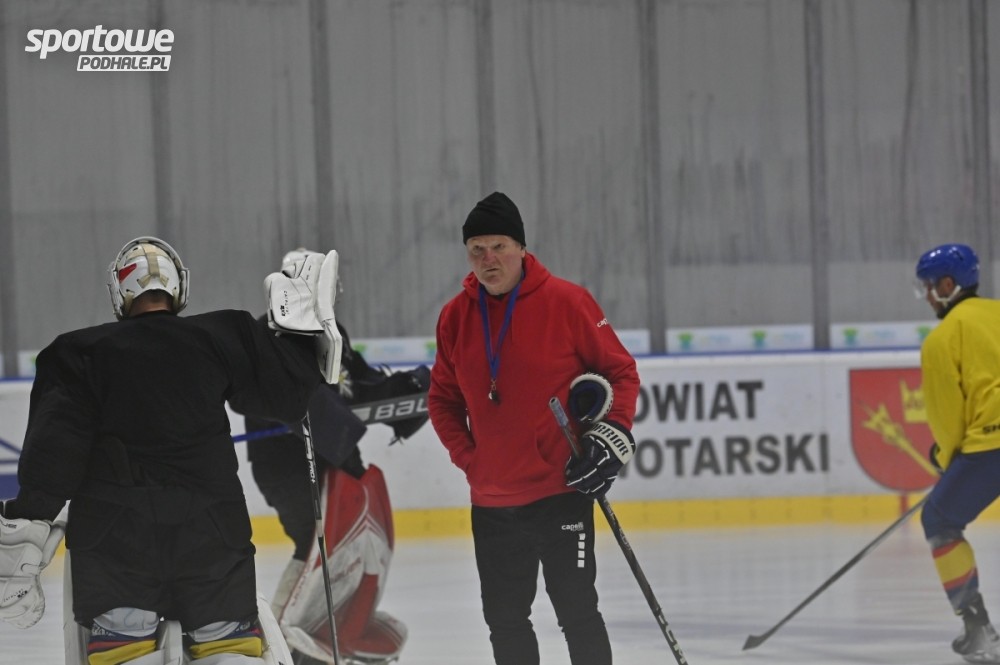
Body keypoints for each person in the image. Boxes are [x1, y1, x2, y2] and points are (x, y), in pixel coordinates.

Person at [0, 236, 340, 665]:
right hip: (212, 533)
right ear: (178, 286)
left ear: (120, 291)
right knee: (228, 650)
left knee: (125, 650)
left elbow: (56, 453)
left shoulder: (77, 353)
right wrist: (301, 331)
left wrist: (29, 523)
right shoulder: (224, 333)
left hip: (115, 541)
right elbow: (287, 398)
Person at [427, 191, 641, 665]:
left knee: (578, 614)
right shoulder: (455, 317)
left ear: (522, 248)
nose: (488, 259)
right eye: (477, 249)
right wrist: (472, 461)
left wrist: (613, 436)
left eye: (499, 247)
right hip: (492, 503)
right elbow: (441, 399)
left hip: (560, 490)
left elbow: (621, 372)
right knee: (505, 622)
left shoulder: (568, 302)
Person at [240, 248, 430, 665]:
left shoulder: (331, 330)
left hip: (332, 459)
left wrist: (408, 389)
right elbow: (273, 398)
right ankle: (281, 640)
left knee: (346, 545)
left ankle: (325, 629)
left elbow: (357, 387)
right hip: (285, 465)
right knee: (312, 543)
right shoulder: (267, 335)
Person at [915, 242, 1000, 663]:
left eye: (929, 287)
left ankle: (978, 630)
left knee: (939, 519)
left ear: (948, 285)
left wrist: (946, 459)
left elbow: (946, 418)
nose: (927, 296)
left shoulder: (941, 340)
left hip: (991, 447)